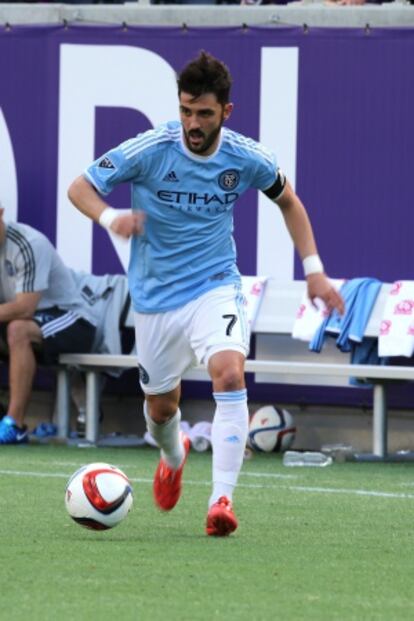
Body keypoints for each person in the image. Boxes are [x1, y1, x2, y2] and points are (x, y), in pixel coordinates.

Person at [68, 51, 344, 537]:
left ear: (226, 112)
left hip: (215, 285)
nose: (193, 123)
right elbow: (81, 187)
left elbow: (290, 202)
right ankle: (173, 455)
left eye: (204, 114)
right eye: (186, 111)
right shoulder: (151, 149)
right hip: (155, 300)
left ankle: (222, 501)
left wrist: (315, 271)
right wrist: (112, 219)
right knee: (162, 409)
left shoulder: (246, 157)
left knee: (228, 371)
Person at [0, 206, 131, 444]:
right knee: (17, 328)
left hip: (75, 320)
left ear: (0, 212)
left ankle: (14, 425)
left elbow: (25, 307)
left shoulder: (27, 243)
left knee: (17, 329)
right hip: (30, 323)